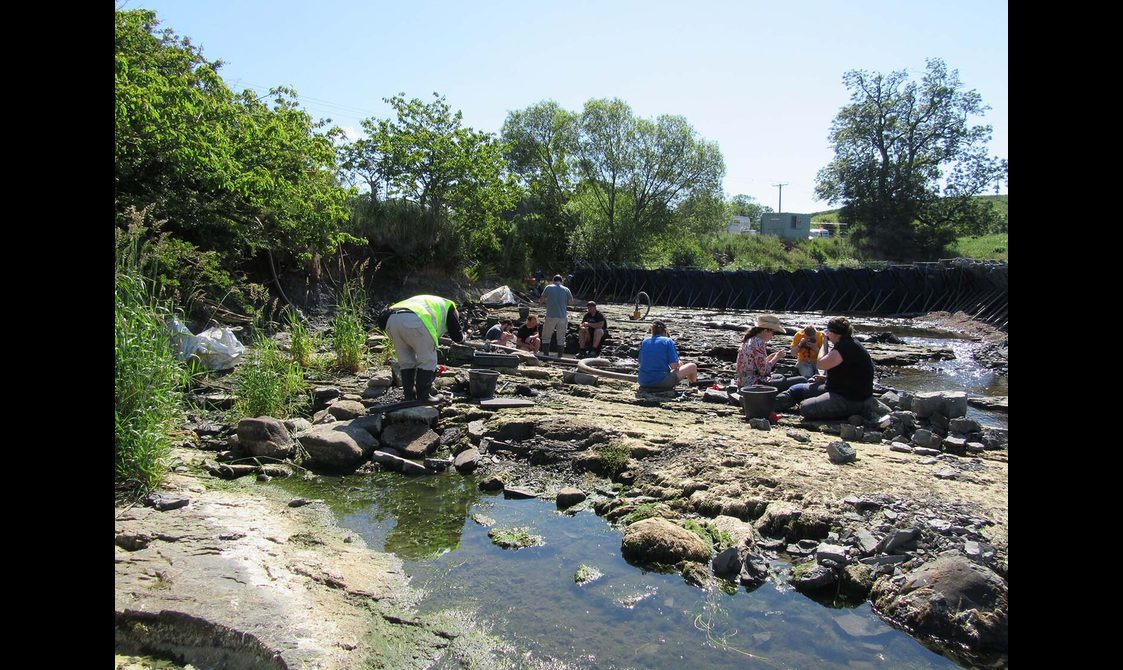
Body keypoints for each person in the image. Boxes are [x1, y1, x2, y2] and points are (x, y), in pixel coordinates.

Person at [775, 316, 875, 420]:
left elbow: (821, 364)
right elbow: (849, 373)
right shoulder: (846, 343)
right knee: (796, 390)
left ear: (835, 333)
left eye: (828, 331)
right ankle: (772, 405)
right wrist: (826, 378)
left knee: (805, 407)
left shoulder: (845, 347)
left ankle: (853, 413)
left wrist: (824, 343)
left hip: (849, 398)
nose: (826, 334)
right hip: (837, 388)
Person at [385, 295, 465, 402]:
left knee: (406, 362)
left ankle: (409, 396)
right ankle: (424, 396)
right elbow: (457, 336)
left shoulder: (429, 302)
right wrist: (464, 338)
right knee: (428, 360)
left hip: (392, 320)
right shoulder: (450, 307)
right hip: (416, 320)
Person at [735, 315, 802, 391]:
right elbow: (764, 371)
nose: (772, 336)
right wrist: (777, 357)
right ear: (765, 330)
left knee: (780, 376)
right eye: (772, 332)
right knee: (801, 380)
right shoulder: (759, 343)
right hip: (752, 384)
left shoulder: (750, 339)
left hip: (742, 381)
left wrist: (770, 357)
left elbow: (756, 365)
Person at [637, 321, 698, 391]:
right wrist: (678, 363)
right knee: (692, 366)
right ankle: (693, 385)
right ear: (665, 332)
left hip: (643, 381)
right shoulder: (667, 341)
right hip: (660, 382)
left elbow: (640, 362)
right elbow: (674, 366)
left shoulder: (645, 341)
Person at [538, 274, 576, 358]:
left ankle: (545, 356)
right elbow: (571, 302)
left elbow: (542, 299)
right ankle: (560, 356)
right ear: (561, 281)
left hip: (551, 315)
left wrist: (542, 303)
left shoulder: (548, 287)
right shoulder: (566, 289)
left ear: (553, 280)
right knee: (561, 337)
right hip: (562, 316)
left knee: (546, 336)